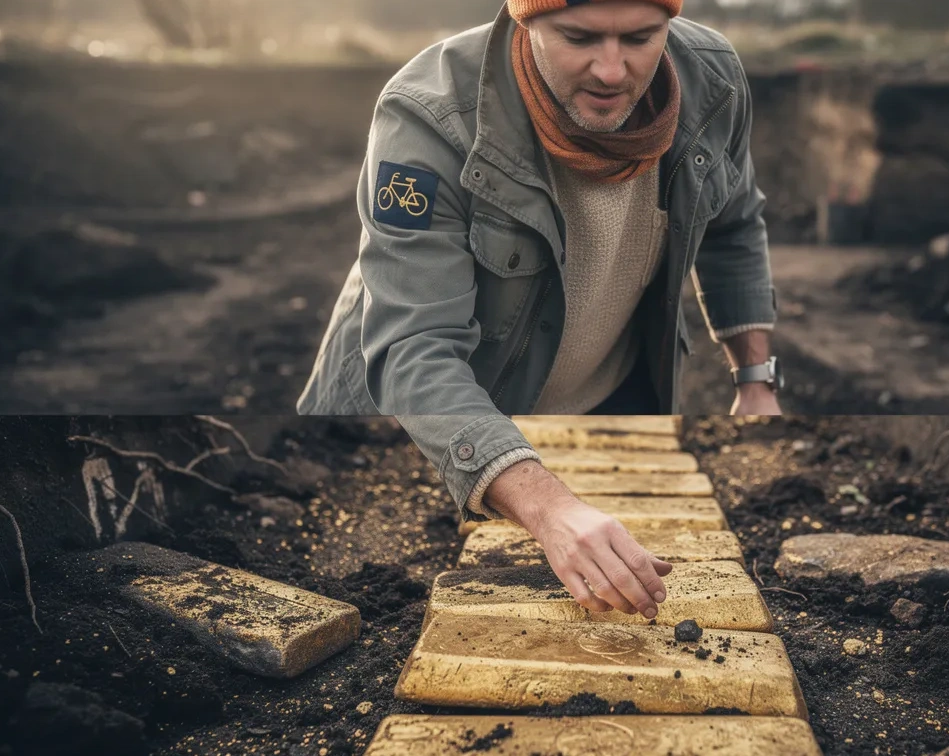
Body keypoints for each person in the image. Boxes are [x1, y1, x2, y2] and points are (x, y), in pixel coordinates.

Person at [298, 0, 784, 619]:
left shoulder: (712, 78)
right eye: (579, 37)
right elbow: (414, 349)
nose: (612, 70)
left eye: (640, 37)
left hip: (603, 407)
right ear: (526, 19)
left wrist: (756, 380)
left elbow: (735, 224)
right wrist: (550, 506)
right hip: (420, 437)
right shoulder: (430, 114)